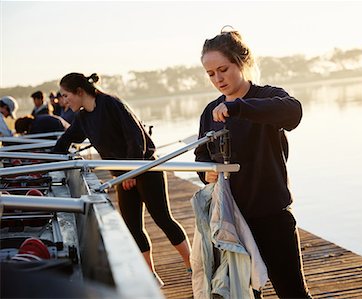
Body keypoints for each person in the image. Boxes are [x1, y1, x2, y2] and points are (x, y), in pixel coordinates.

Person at [194, 28, 312, 298]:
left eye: (223, 69)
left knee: (293, 293)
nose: (218, 79)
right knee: (240, 293)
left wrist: (238, 108)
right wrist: (206, 174)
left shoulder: (267, 96)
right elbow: (201, 157)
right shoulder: (209, 112)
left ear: (241, 62)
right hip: (230, 220)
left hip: (272, 215)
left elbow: (293, 113)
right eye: (211, 74)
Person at [52, 72, 191, 286]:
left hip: (145, 168)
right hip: (123, 176)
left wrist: (131, 171)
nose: (63, 101)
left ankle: (193, 266)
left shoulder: (110, 103)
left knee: (163, 219)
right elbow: (67, 139)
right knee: (132, 226)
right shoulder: (83, 118)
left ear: (79, 92)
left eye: (66, 95)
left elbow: (135, 138)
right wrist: (50, 160)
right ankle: (151, 277)